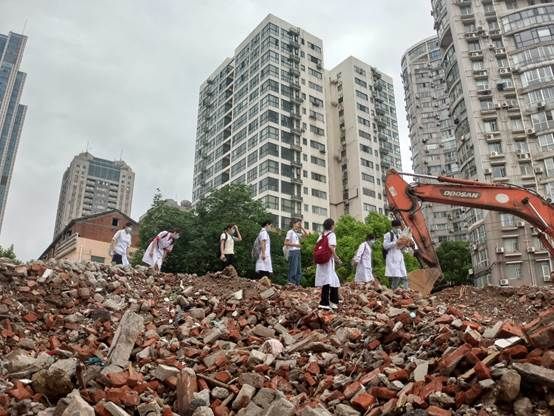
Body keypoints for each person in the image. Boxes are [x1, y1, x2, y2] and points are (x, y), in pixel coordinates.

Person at [315, 218, 342, 310]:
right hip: (327, 261)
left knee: (332, 280)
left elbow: (317, 246)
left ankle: (332, 301)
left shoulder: (321, 235)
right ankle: (325, 302)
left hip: (321, 261)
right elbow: (331, 246)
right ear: (332, 226)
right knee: (328, 281)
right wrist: (336, 257)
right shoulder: (332, 235)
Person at [383, 219, 410, 289]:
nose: (398, 229)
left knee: (404, 276)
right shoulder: (388, 235)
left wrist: (405, 244)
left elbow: (401, 248)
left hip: (399, 256)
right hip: (392, 257)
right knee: (396, 277)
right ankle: (393, 290)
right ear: (393, 227)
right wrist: (396, 242)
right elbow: (385, 246)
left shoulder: (399, 235)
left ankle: (406, 290)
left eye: (399, 227)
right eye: (397, 227)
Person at [284, 219, 308, 285]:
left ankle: (297, 284)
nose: (299, 225)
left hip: (297, 251)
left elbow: (306, 235)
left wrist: (302, 228)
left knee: (298, 269)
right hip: (293, 251)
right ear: (294, 224)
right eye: (298, 224)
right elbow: (285, 242)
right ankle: (291, 283)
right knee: (293, 268)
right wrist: (296, 245)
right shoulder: (290, 232)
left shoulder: (296, 233)